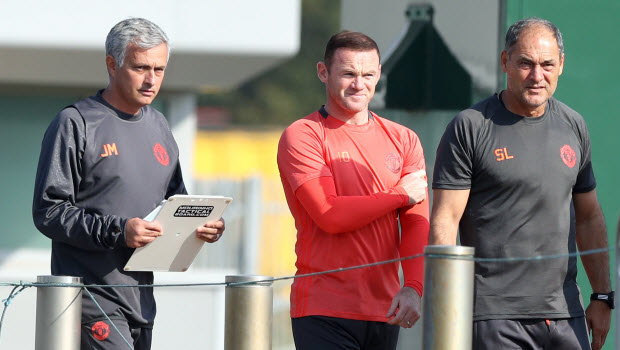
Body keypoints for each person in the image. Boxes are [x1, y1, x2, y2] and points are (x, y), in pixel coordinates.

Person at [32, 18, 225, 350]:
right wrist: (118, 231)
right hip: (91, 298)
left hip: (142, 301)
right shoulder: (75, 122)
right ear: (112, 64)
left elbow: (174, 202)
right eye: (141, 68)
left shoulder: (160, 126)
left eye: (160, 70)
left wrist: (202, 225)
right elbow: (48, 211)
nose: (151, 80)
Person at [430, 17, 611, 350]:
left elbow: (588, 217)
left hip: (564, 314)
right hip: (494, 317)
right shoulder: (470, 126)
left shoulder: (573, 125)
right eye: (525, 63)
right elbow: (445, 220)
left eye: (547, 65)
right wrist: (446, 314)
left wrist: (602, 296)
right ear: (505, 62)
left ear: (561, 66)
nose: (537, 76)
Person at [277, 31, 430, 350]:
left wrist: (413, 286)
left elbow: (415, 223)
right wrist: (399, 195)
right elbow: (330, 215)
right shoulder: (303, 135)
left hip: (385, 311)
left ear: (379, 75)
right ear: (323, 72)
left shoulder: (404, 139)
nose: (359, 84)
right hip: (323, 309)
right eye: (348, 73)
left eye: (368, 74)